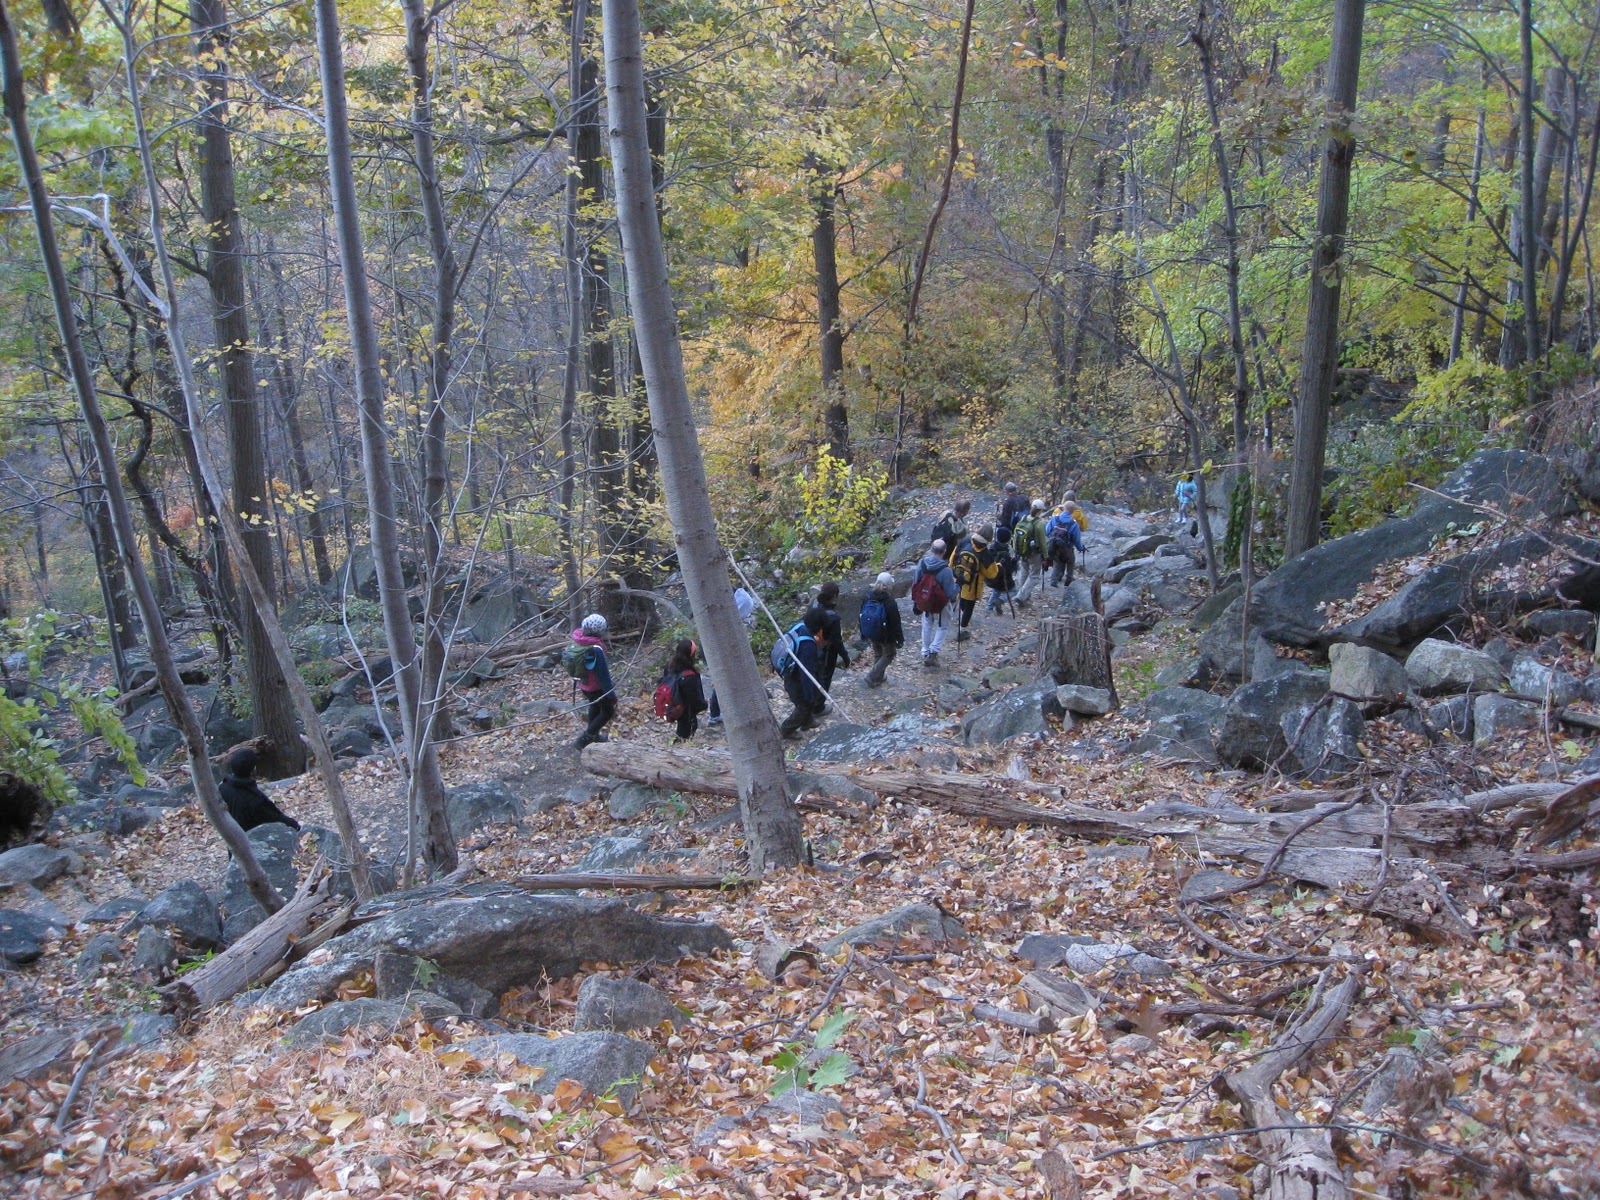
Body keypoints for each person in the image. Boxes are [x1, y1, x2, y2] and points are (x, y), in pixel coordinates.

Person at [707, 577, 757, 727]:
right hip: (725, 648)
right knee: (724, 679)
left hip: (730, 646)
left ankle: (719, 713)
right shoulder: (724, 613)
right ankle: (715, 714)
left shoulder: (735, 601)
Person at [218, 747, 300, 833]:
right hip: (251, 837)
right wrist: (295, 825)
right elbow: (276, 817)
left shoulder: (223, 787)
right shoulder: (254, 799)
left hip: (232, 833)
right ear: (253, 769)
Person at [779, 607, 829, 738]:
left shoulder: (800, 626)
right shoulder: (808, 646)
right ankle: (786, 730)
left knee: (809, 702)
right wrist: (810, 695)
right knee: (804, 705)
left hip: (792, 675)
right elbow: (807, 674)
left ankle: (807, 721)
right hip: (796, 681)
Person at [571, 613, 616, 749]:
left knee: (595, 707)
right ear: (598, 631)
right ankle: (585, 738)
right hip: (595, 687)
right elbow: (603, 676)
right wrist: (611, 695)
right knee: (608, 711)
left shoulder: (578, 639)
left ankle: (594, 736)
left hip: (583, 684)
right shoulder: (595, 648)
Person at [912, 538, 959, 668]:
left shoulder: (922, 564)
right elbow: (950, 593)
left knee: (927, 624)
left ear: (931, 550)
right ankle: (933, 652)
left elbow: (915, 582)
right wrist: (959, 586)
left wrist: (916, 600)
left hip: (925, 600)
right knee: (943, 626)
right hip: (941, 602)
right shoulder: (946, 570)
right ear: (944, 552)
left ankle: (925, 651)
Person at [950, 525, 1000, 641]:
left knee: (962, 598)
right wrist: (997, 566)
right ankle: (963, 628)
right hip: (973, 584)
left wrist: (953, 570)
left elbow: (953, 557)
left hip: (958, 577)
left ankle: (961, 618)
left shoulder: (966, 540)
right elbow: (992, 573)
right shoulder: (985, 553)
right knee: (969, 606)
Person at [859, 571, 904, 687]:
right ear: (889, 586)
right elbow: (895, 624)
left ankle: (877, 678)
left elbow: (861, 614)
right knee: (889, 654)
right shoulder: (890, 603)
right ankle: (872, 676)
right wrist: (900, 639)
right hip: (886, 635)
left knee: (878, 652)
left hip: (871, 631)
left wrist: (862, 632)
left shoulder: (868, 596)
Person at [663, 638, 708, 741]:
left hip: (672, 704)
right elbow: (694, 699)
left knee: (683, 728)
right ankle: (680, 745)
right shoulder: (689, 675)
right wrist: (703, 705)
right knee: (687, 731)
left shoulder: (669, 666)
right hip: (685, 710)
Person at [814, 581, 850, 702]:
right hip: (827, 652)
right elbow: (837, 641)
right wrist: (845, 657)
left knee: (814, 674)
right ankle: (819, 705)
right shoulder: (833, 617)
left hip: (811, 646)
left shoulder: (814, 606)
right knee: (825, 677)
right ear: (834, 596)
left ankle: (812, 701)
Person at [1013, 498, 1049, 606]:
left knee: (1024, 571)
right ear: (1041, 510)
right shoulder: (1040, 524)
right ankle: (1021, 596)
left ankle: (1022, 593)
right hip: (1034, 553)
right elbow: (1043, 542)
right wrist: (1046, 556)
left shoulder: (1024, 518)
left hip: (1022, 551)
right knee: (1034, 576)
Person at [1046, 506, 1086, 587]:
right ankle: (1069, 580)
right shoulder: (1073, 523)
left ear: (1064, 508)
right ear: (1073, 511)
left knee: (1057, 563)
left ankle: (1054, 580)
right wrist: (1081, 548)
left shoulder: (1055, 519)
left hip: (1054, 546)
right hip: (1067, 547)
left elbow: (1047, 530)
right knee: (1070, 562)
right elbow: (1076, 539)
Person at [984, 526, 1019, 615]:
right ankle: (1001, 600)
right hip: (1003, 579)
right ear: (1007, 539)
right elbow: (1009, 569)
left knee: (996, 590)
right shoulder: (1005, 553)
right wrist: (1014, 562)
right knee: (1014, 591)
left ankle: (989, 607)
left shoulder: (992, 548)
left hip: (992, 577)